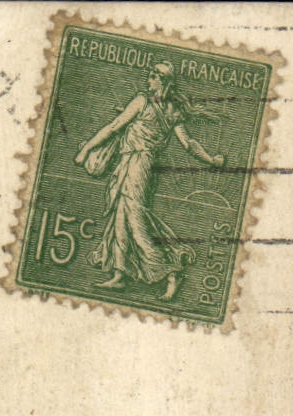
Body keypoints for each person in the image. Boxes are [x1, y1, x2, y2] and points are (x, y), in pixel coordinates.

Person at [74, 61, 225, 300]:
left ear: (162, 81)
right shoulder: (172, 110)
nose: (149, 80)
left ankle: (171, 271)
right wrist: (211, 160)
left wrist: (86, 150)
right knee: (121, 217)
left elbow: (114, 127)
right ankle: (120, 274)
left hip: (139, 165)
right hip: (137, 165)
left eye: (153, 77)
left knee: (135, 219)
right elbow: (189, 144)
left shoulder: (142, 102)